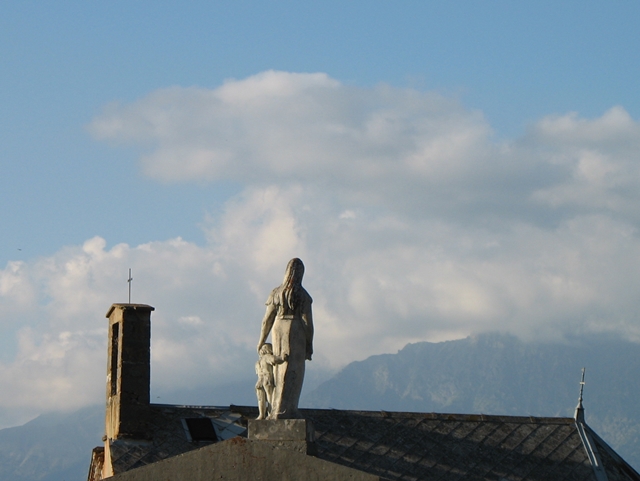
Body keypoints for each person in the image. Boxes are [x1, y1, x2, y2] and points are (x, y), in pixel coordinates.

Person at [257, 258, 313, 419]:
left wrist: (261, 340)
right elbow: (308, 323)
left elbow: (266, 319)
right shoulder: (303, 295)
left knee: (279, 368)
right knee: (295, 369)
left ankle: (276, 408)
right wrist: (309, 344)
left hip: (278, 328)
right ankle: (287, 409)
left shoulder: (276, 293)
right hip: (296, 329)